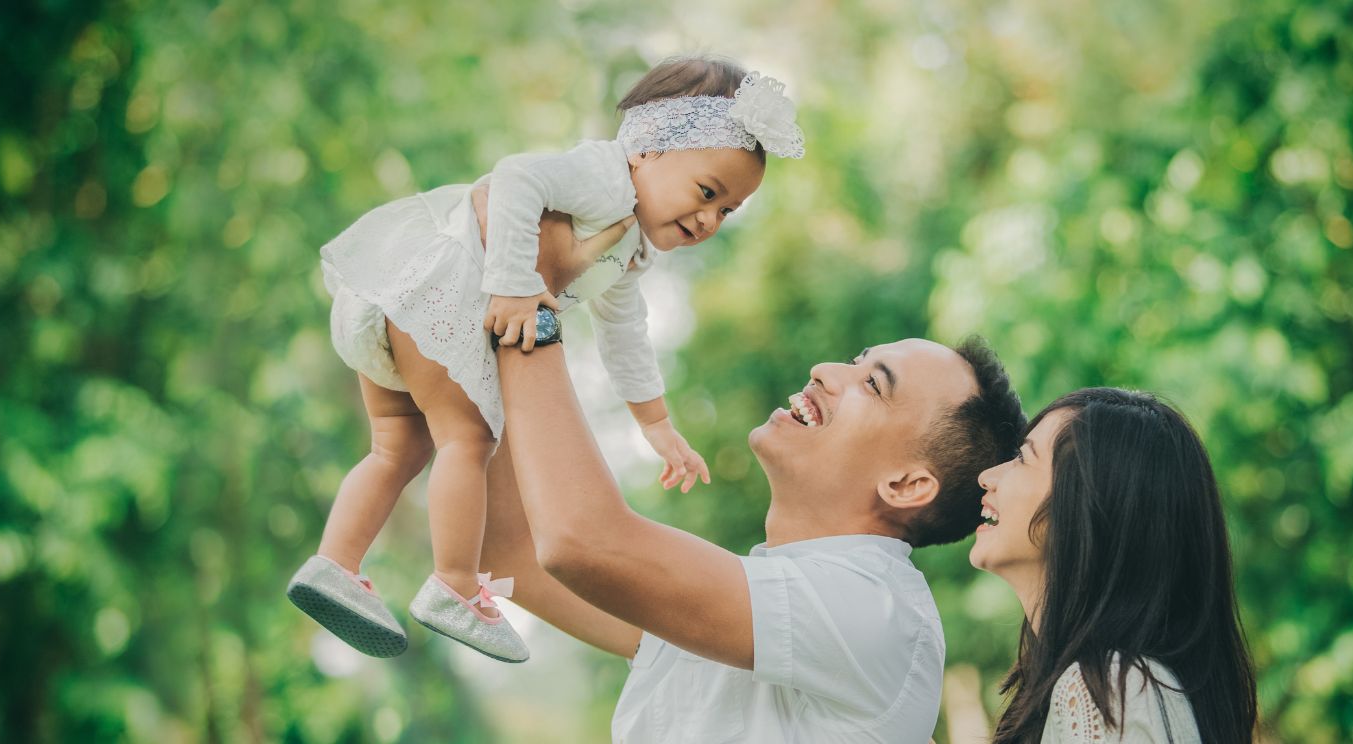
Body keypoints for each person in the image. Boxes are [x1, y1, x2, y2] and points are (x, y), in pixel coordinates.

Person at [286, 56, 805, 663]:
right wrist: (511, 280)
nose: (710, 219)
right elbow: (516, 179)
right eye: (707, 192)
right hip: (444, 288)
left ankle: (334, 564)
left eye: (727, 210)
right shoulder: (606, 180)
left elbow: (625, 331)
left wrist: (656, 423)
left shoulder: (630, 246)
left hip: (401, 297)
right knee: (468, 441)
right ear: (648, 149)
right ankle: (453, 585)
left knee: (396, 447)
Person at [489, 331, 1026, 743]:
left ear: (906, 485)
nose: (826, 369)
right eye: (858, 359)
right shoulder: (755, 600)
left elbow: (578, 541)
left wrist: (529, 313)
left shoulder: (877, 607)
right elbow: (512, 554)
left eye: (873, 384)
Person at [969, 388, 1259, 742]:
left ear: (1085, 507)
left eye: (1022, 457)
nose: (988, 476)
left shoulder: (1107, 688)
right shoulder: (1125, 684)